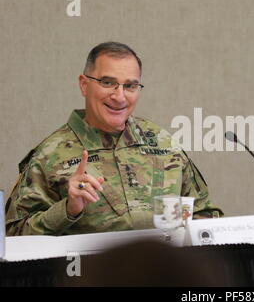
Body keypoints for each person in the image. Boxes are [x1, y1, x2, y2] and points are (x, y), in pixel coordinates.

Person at [5, 42, 222, 235]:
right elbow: (12, 237)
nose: (119, 97)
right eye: (107, 83)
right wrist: (68, 209)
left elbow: (206, 214)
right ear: (84, 84)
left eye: (130, 86)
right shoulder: (49, 155)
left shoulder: (162, 142)